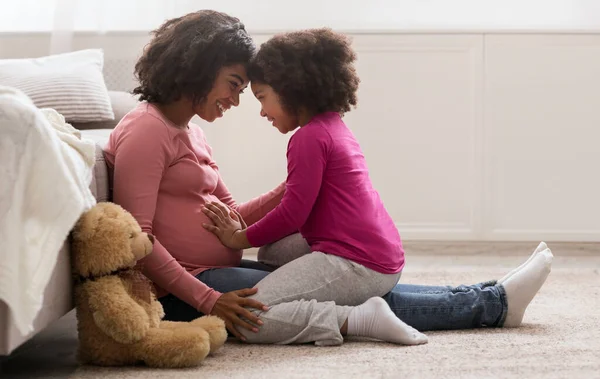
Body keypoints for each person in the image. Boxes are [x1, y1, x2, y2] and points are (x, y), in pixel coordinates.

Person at [103, 10, 552, 344]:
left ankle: (488, 299)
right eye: (235, 84)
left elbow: (235, 214)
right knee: (325, 298)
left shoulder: (192, 133)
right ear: (198, 66)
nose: (238, 101)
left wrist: (301, 185)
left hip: (222, 265)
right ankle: (487, 304)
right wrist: (208, 300)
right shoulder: (146, 130)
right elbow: (136, 241)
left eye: (246, 90)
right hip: (188, 283)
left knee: (342, 279)